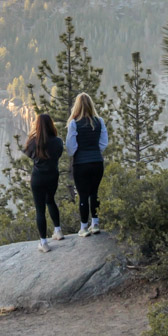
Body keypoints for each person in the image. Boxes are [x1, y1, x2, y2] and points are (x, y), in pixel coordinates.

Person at [66, 92, 108, 237]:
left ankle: (84, 227)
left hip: (81, 164)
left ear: (76, 106)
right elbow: (103, 143)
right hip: (97, 162)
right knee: (94, 193)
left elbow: (70, 147)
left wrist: (80, 152)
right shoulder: (99, 121)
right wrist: (94, 151)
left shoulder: (74, 124)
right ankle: (95, 223)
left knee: (83, 195)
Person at [24, 113, 64, 252]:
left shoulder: (33, 142)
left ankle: (43, 243)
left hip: (38, 177)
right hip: (53, 176)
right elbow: (59, 154)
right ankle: (58, 231)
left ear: (37, 125)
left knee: (40, 210)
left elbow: (28, 154)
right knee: (51, 200)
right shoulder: (58, 141)